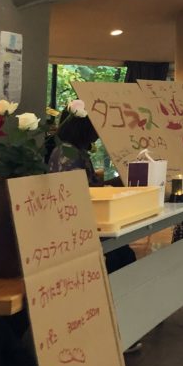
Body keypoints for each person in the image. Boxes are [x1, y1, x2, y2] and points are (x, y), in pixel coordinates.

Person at [48, 102, 137, 274]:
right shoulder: (68, 153)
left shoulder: (71, 151)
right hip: (77, 227)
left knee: (123, 255)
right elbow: (80, 193)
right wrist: (117, 183)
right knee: (121, 257)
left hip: (85, 222)